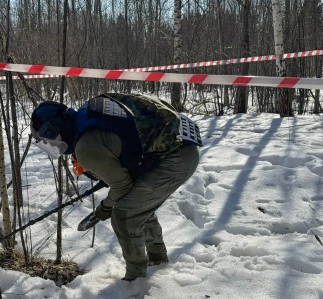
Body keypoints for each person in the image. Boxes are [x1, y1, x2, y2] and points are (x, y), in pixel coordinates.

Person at [30, 93, 201, 281]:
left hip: (177, 157)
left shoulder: (84, 147)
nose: (54, 146)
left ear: (56, 129)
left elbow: (122, 186)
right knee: (137, 205)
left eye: (51, 140)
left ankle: (136, 280)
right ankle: (157, 259)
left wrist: (105, 207)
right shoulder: (87, 112)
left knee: (124, 216)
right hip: (180, 141)